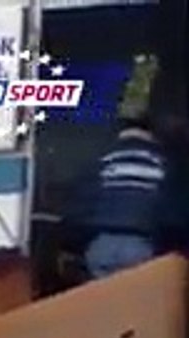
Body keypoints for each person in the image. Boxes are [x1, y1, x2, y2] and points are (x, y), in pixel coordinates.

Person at [72, 116, 174, 280]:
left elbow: (81, 206)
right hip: (141, 247)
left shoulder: (103, 159)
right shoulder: (162, 163)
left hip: (101, 245)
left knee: (100, 299)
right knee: (134, 301)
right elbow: (170, 210)